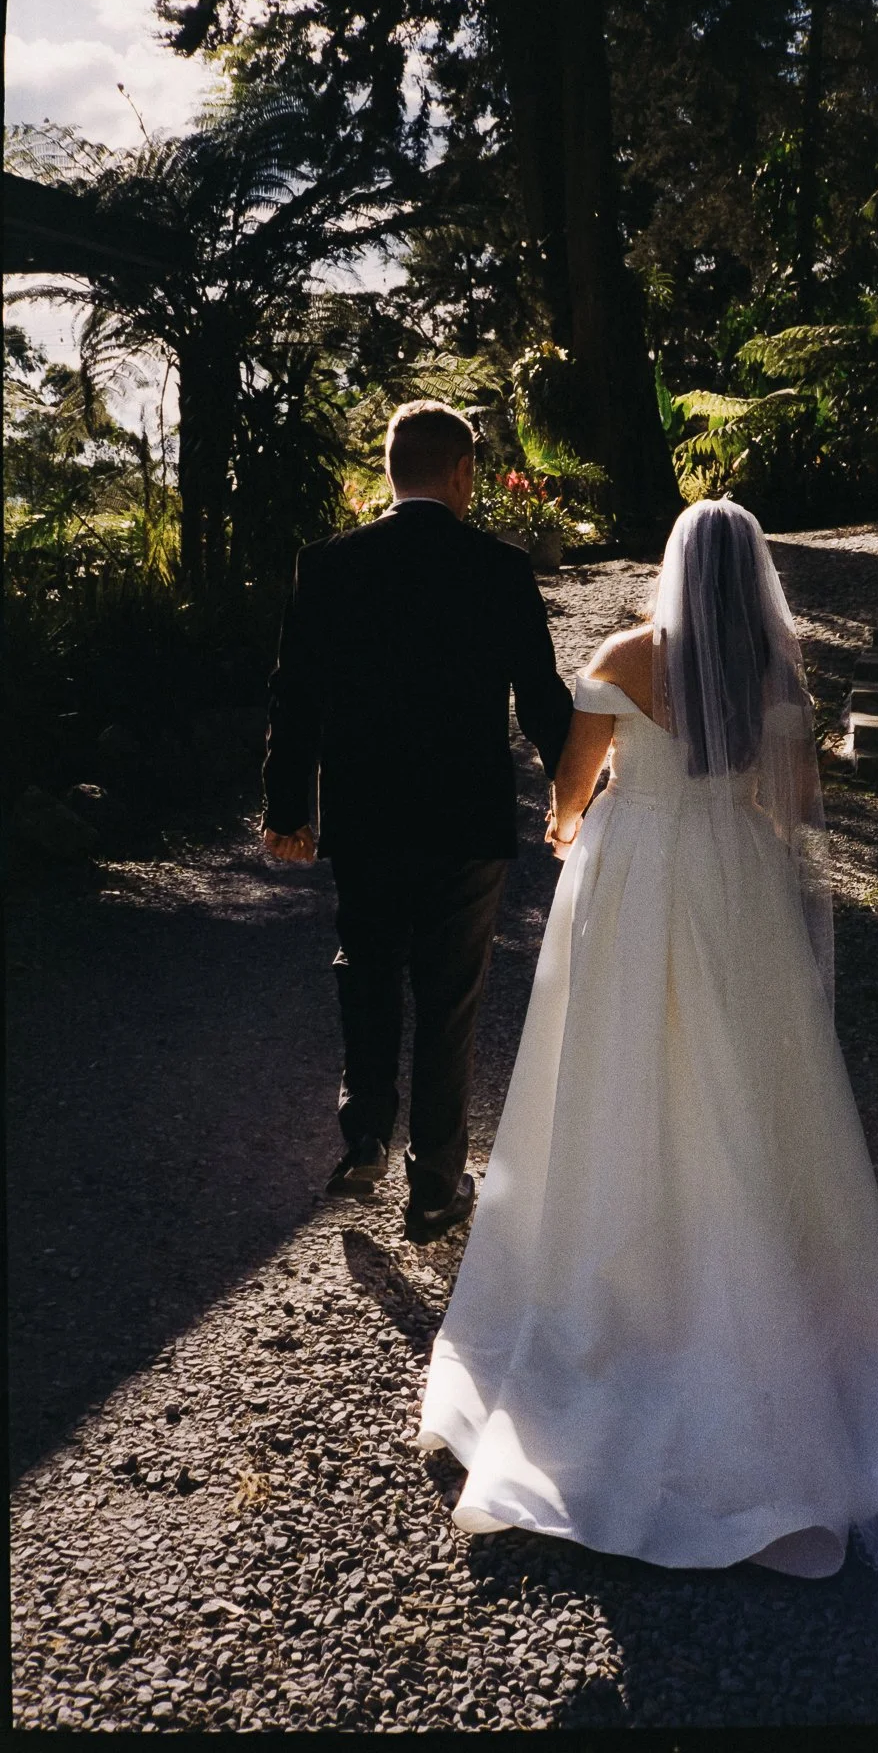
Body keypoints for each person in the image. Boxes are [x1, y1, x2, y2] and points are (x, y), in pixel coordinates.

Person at [417, 497, 878, 1578]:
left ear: (670, 565)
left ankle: (615, 1293)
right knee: (744, 1092)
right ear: (751, 576)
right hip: (732, 889)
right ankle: (765, 1311)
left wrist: (574, 828)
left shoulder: (623, 650)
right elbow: (793, 804)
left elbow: (570, 783)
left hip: (631, 881)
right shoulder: (770, 674)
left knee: (609, 1074)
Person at [261, 400, 574, 1243]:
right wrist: (576, 791)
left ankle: (364, 1136)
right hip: (465, 822)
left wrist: (287, 809)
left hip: (364, 817)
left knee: (363, 968)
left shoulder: (327, 565)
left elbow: (296, 697)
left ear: (391, 470)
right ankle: (435, 1188)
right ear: (465, 474)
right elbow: (542, 698)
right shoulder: (500, 568)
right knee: (448, 1001)